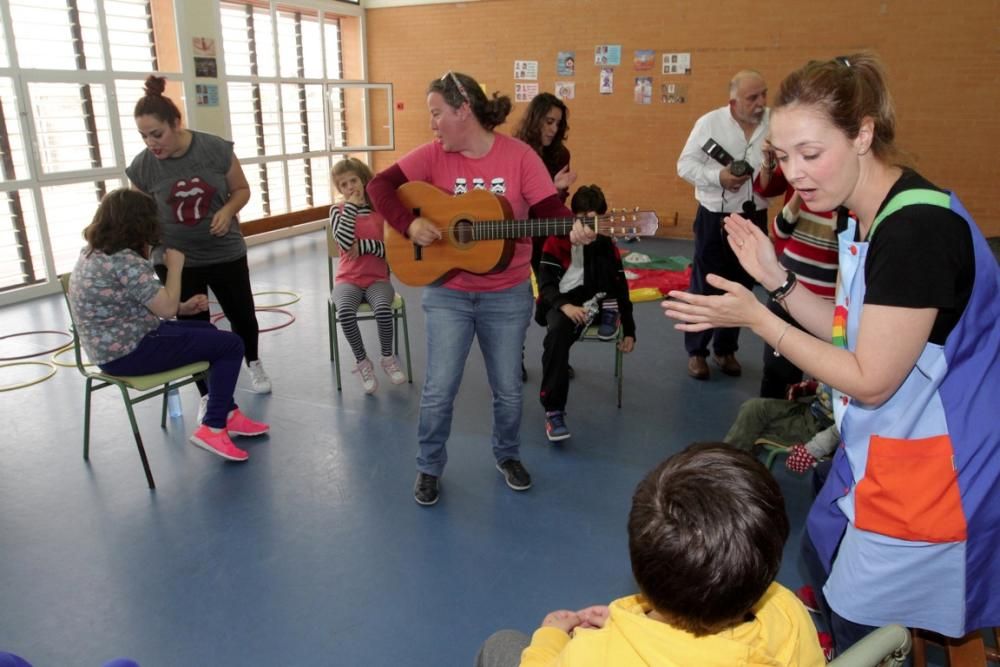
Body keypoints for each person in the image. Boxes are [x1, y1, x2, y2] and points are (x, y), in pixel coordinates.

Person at [663, 52, 1000, 653]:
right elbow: (851, 334)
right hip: (885, 448)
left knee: (857, 610)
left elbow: (869, 377)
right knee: (821, 554)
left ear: (864, 133)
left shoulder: (916, 231)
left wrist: (759, 319)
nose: (795, 174)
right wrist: (777, 276)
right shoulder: (866, 216)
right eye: (783, 156)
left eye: (811, 154)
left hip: (938, 472)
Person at [367, 71, 594, 506]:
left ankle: (507, 455)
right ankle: (429, 466)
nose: (432, 124)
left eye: (437, 113)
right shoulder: (434, 156)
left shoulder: (520, 157)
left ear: (463, 110)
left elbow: (547, 208)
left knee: (508, 387)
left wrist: (574, 227)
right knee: (439, 388)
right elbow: (380, 185)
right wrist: (409, 222)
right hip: (447, 290)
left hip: (507, 293)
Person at [474, 443, 825, 667]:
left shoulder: (593, 655)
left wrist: (550, 637)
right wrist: (633, 622)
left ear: (640, 565)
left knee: (501, 645)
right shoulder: (789, 614)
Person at [67, 189, 269, 462]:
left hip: (117, 344)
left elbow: (137, 302)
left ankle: (226, 413)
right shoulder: (124, 261)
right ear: (139, 224)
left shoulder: (94, 253)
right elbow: (165, 308)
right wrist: (175, 268)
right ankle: (213, 427)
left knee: (208, 332)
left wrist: (182, 308)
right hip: (129, 353)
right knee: (231, 344)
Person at [127, 75, 271, 419]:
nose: (151, 143)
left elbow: (241, 189)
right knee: (195, 328)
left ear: (176, 124)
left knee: (242, 315)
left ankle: (253, 360)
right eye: (143, 136)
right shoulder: (143, 167)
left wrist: (227, 210)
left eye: (156, 134)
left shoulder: (215, 148)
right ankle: (207, 391)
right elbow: (139, 215)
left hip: (224, 253)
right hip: (177, 261)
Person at [676, 69, 770, 380]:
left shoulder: (774, 123)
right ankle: (697, 352)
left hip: (754, 215)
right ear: (733, 102)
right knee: (706, 284)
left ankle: (726, 349)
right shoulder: (709, 123)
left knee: (743, 284)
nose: (760, 103)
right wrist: (719, 177)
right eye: (752, 98)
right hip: (714, 215)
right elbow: (685, 165)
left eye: (763, 95)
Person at [536, 185, 636, 441]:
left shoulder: (605, 243)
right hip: (563, 302)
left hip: (596, 297)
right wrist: (564, 306)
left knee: (608, 265)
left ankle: (608, 309)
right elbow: (545, 285)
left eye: (594, 218)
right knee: (557, 335)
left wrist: (630, 330)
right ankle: (554, 411)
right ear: (573, 217)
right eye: (582, 218)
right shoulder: (556, 239)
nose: (588, 225)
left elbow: (621, 285)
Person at [754, 159, 841, 398]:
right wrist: (798, 197)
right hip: (784, 293)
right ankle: (771, 424)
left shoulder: (844, 208)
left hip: (821, 303)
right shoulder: (802, 200)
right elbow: (779, 230)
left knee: (822, 375)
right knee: (776, 370)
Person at [513, 92, 579, 381]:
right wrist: (550, 187)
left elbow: (553, 205)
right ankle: (514, 359)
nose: (553, 128)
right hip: (516, 234)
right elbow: (514, 199)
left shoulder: (560, 155)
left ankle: (556, 355)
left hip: (547, 235)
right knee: (515, 303)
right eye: (548, 121)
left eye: (558, 123)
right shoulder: (515, 151)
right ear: (535, 119)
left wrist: (558, 190)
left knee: (560, 296)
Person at [328, 157, 407, 394]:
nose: (350, 187)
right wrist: (351, 208)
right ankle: (363, 362)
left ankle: (387, 358)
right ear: (339, 189)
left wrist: (364, 247)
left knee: (384, 308)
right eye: (344, 185)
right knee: (345, 312)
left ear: (363, 179)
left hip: (377, 279)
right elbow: (342, 242)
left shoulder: (380, 210)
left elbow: (392, 251)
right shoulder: (337, 210)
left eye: (354, 180)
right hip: (348, 280)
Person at [724, 380, 839, 474]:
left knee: (753, 428)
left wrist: (813, 449)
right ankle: (725, 464)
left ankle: (728, 472)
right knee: (753, 408)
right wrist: (814, 387)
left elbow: (845, 429)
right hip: (811, 409)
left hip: (823, 429)